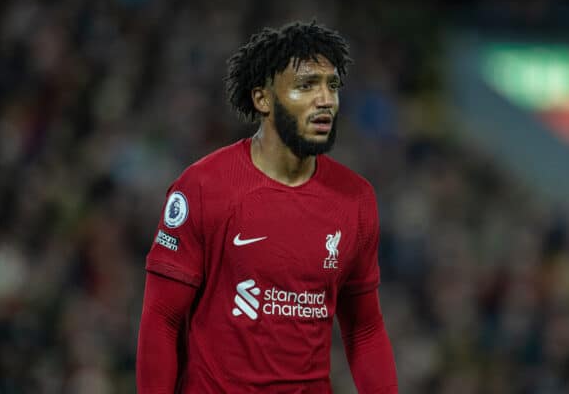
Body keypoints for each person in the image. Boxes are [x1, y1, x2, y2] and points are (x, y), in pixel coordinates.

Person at [136, 20, 399, 393]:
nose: (325, 99)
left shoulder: (356, 199)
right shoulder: (203, 187)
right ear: (263, 99)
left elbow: (364, 329)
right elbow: (162, 318)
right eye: (306, 85)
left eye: (332, 85)